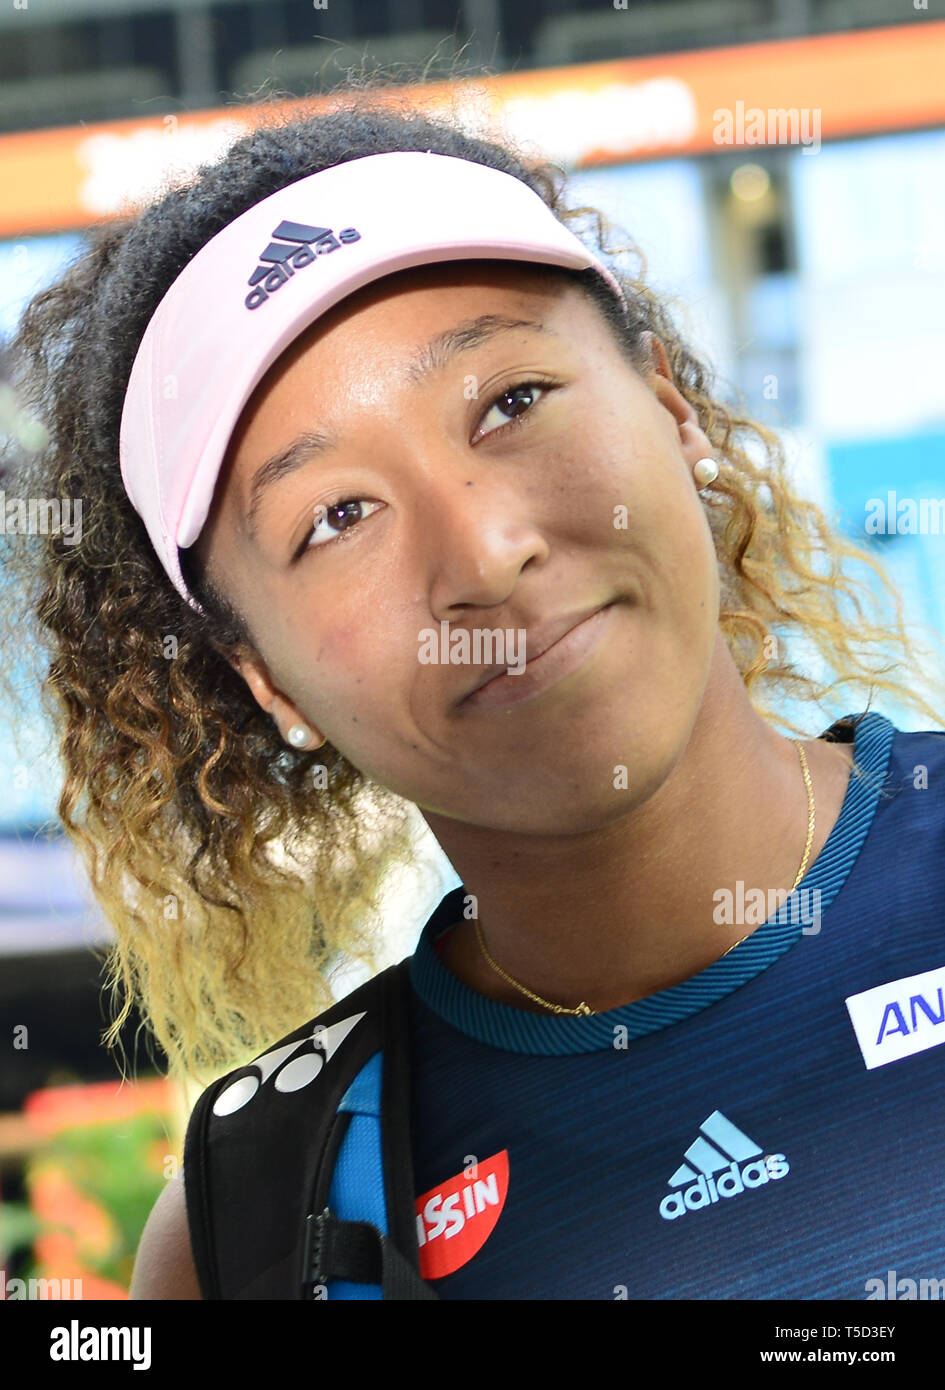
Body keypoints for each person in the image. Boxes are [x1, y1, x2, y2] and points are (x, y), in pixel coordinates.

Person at [4, 87, 943, 1302]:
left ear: (674, 411)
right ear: (266, 679)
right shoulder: (256, 1223)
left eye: (511, 402)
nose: (486, 552)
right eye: (336, 517)